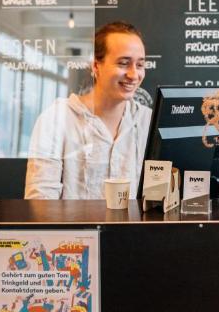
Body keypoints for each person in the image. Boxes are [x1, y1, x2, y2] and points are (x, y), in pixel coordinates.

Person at [25, 21, 152, 200]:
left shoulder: (149, 121)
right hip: (75, 229)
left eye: (140, 65)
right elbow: (40, 204)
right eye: (123, 63)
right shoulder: (56, 119)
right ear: (95, 66)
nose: (134, 75)